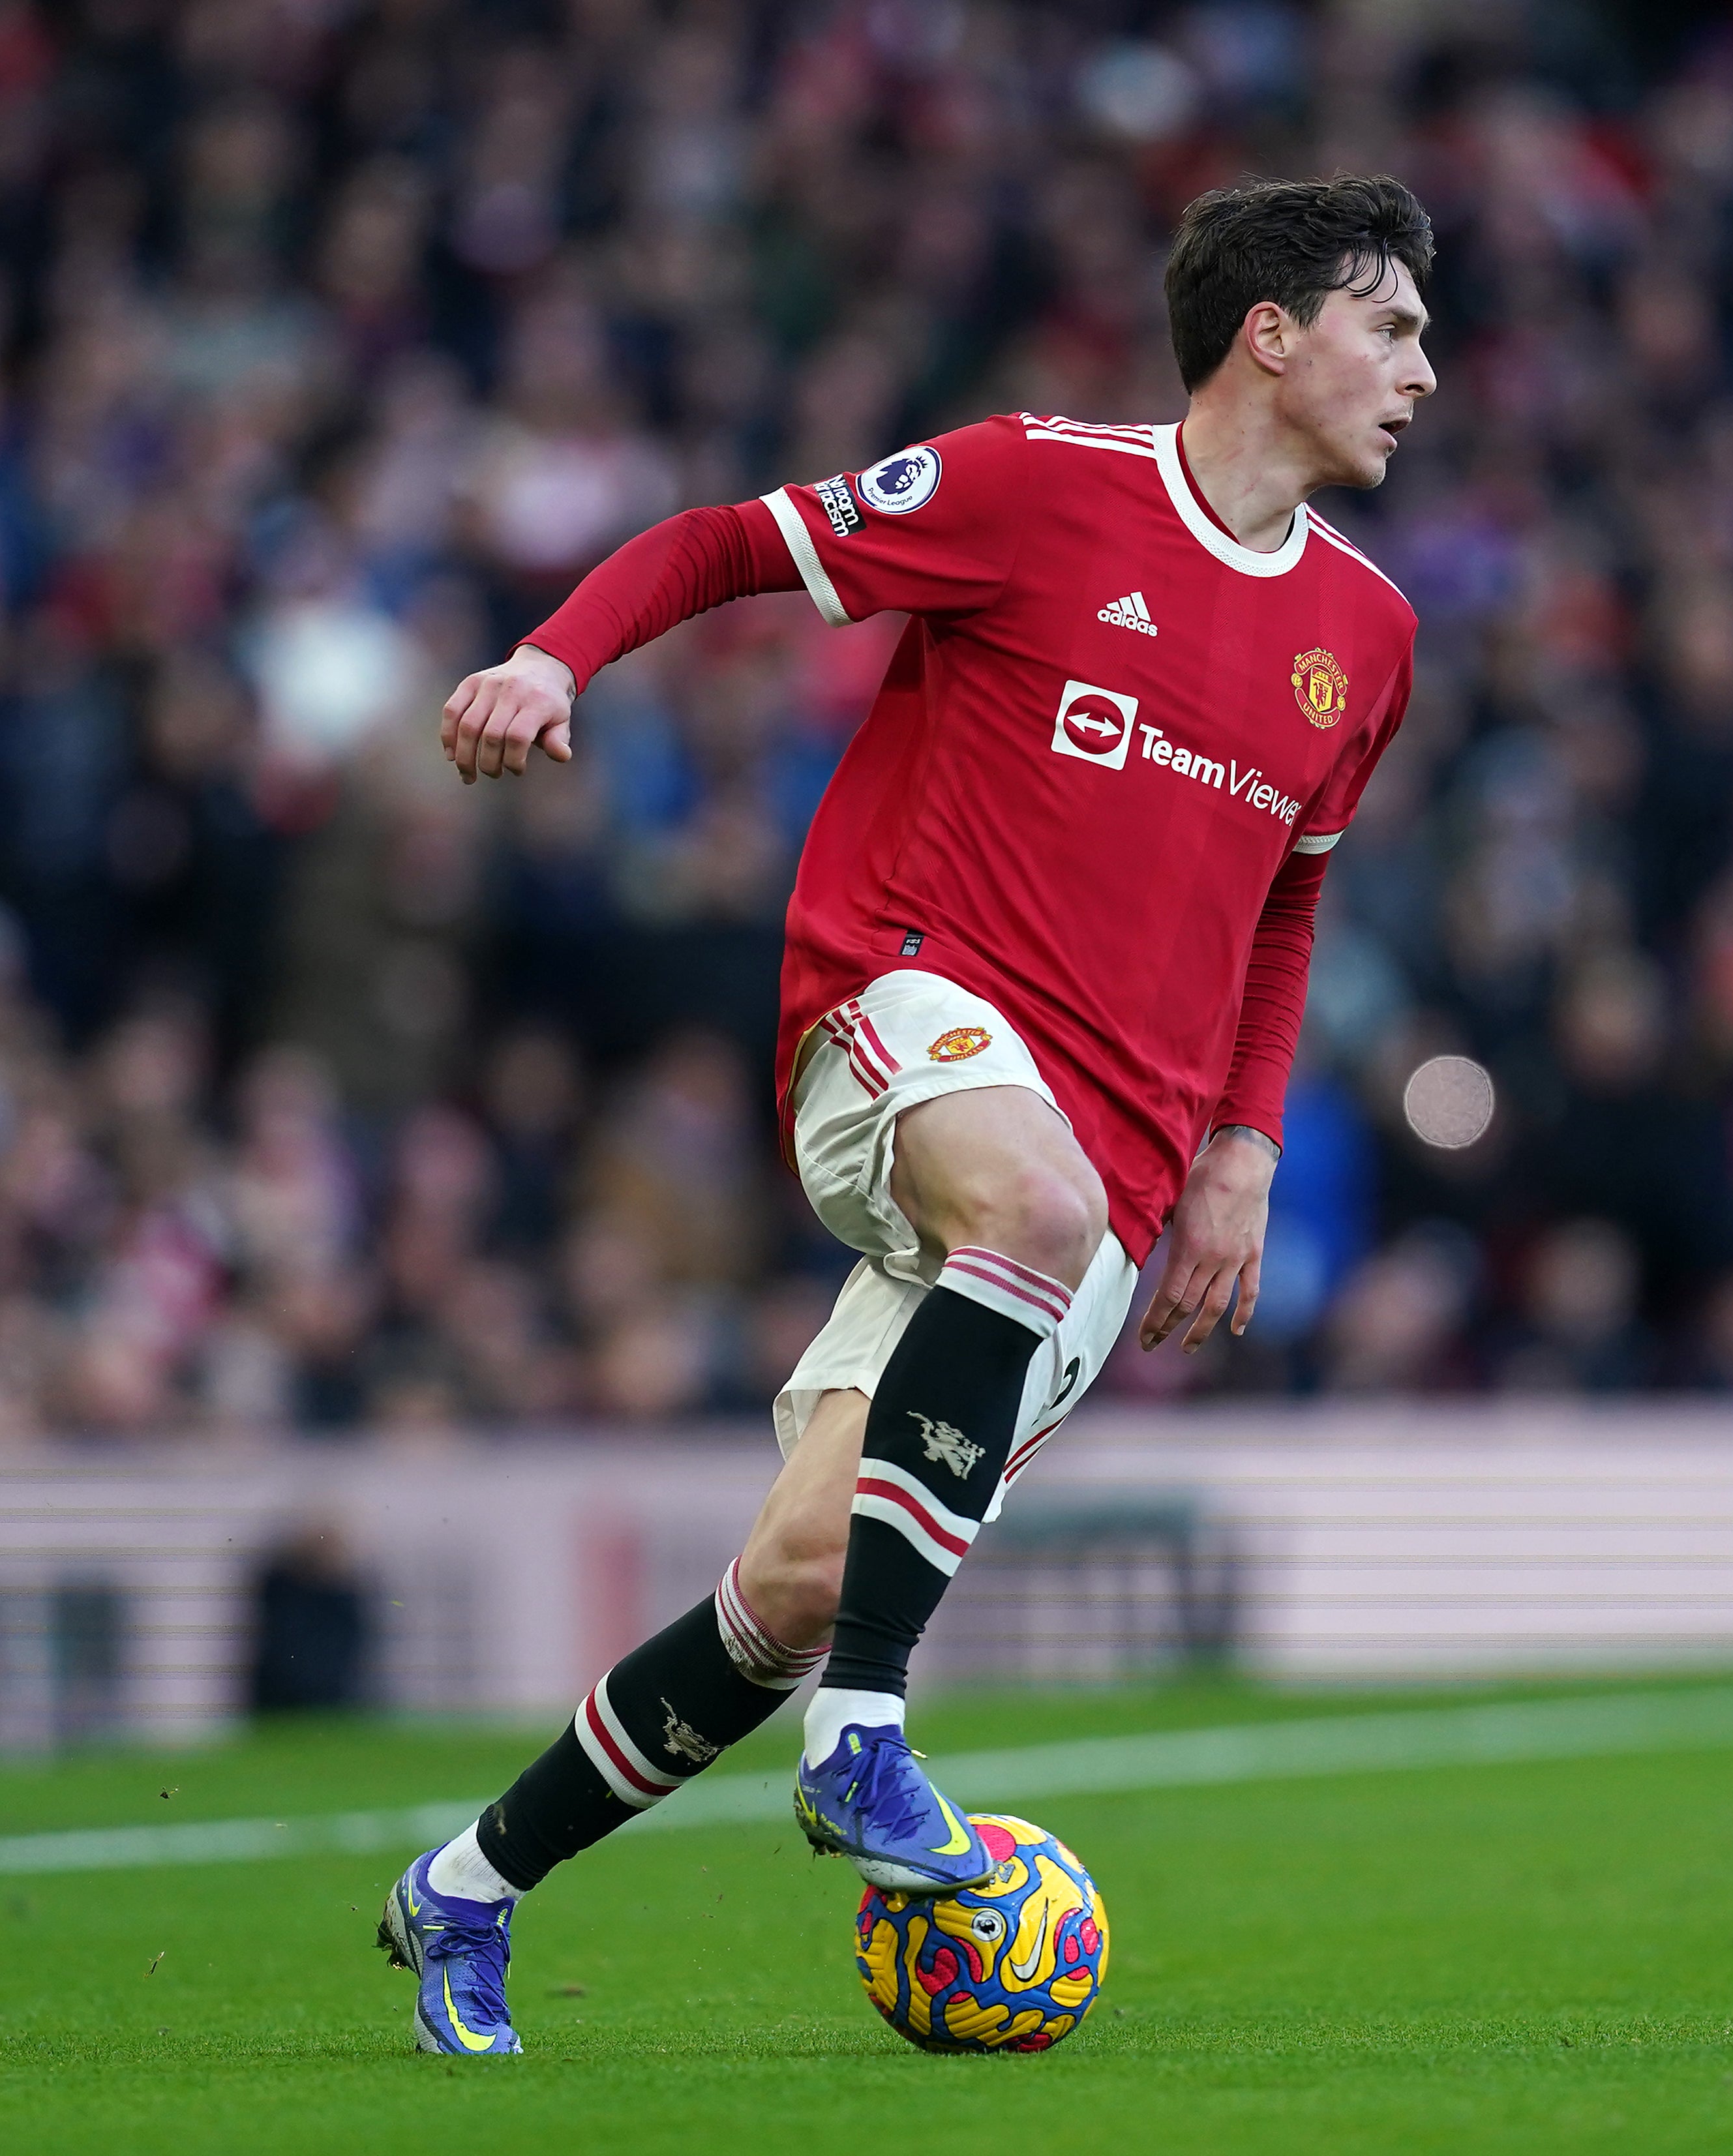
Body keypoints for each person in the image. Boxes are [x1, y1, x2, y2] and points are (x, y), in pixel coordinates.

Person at [372, 175, 1435, 2054]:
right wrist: (552, 658)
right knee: (1015, 1217)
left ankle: (466, 1886)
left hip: (1110, 1173)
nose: (1423, 369)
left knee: (791, 1581)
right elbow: (727, 542)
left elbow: (1290, 902)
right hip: (900, 1008)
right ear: (1271, 333)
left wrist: (1242, 1151)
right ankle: (868, 1739)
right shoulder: (1038, 482)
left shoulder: (1366, 632)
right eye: (1394, 327)